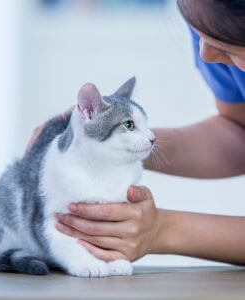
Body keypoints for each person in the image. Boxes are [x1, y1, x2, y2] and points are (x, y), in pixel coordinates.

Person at [29, 0, 245, 265]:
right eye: (195, 27)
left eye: (227, 42)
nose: (206, 54)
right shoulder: (212, 17)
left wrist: (165, 231)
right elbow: (240, 131)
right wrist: (111, 147)